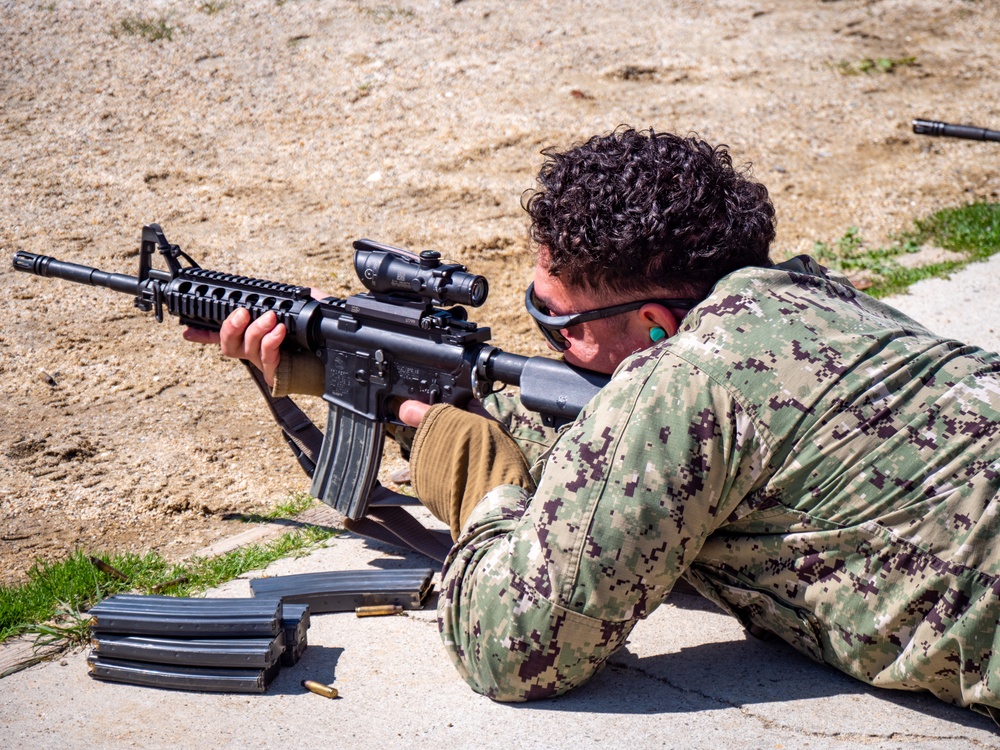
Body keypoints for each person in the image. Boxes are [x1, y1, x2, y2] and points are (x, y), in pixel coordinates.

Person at [186, 127, 1000, 721]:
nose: (549, 336)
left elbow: (513, 648)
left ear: (653, 321)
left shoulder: (688, 376)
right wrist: (375, 387)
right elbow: (619, 436)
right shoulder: (816, 303)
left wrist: (474, 480)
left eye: (558, 323)